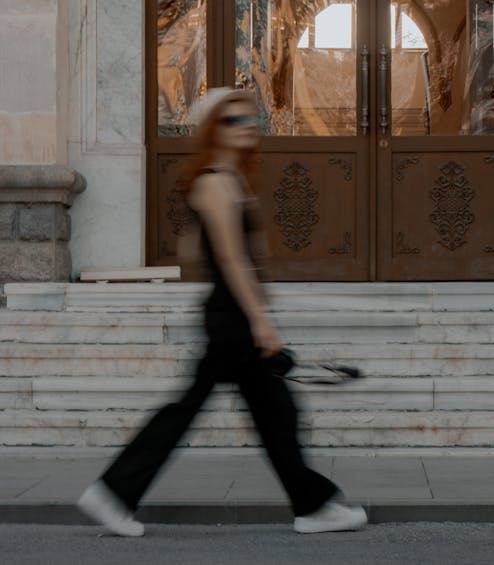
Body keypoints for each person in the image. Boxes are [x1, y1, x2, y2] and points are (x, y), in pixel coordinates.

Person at [78, 85, 367, 537]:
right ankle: (114, 493)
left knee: (271, 413)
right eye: (233, 120)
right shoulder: (215, 182)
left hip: (231, 314)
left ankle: (312, 505)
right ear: (215, 128)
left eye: (250, 118)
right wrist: (260, 321)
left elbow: (197, 250)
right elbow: (231, 260)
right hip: (232, 319)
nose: (246, 126)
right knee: (210, 412)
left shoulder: (231, 182)